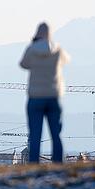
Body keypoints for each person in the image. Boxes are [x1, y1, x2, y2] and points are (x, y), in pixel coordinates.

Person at [20, 22, 70, 163]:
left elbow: (23, 64)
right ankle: (58, 162)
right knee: (56, 133)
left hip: (35, 97)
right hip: (54, 95)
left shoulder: (31, 50)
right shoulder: (57, 50)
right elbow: (67, 60)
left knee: (35, 134)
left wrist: (33, 44)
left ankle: (34, 162)